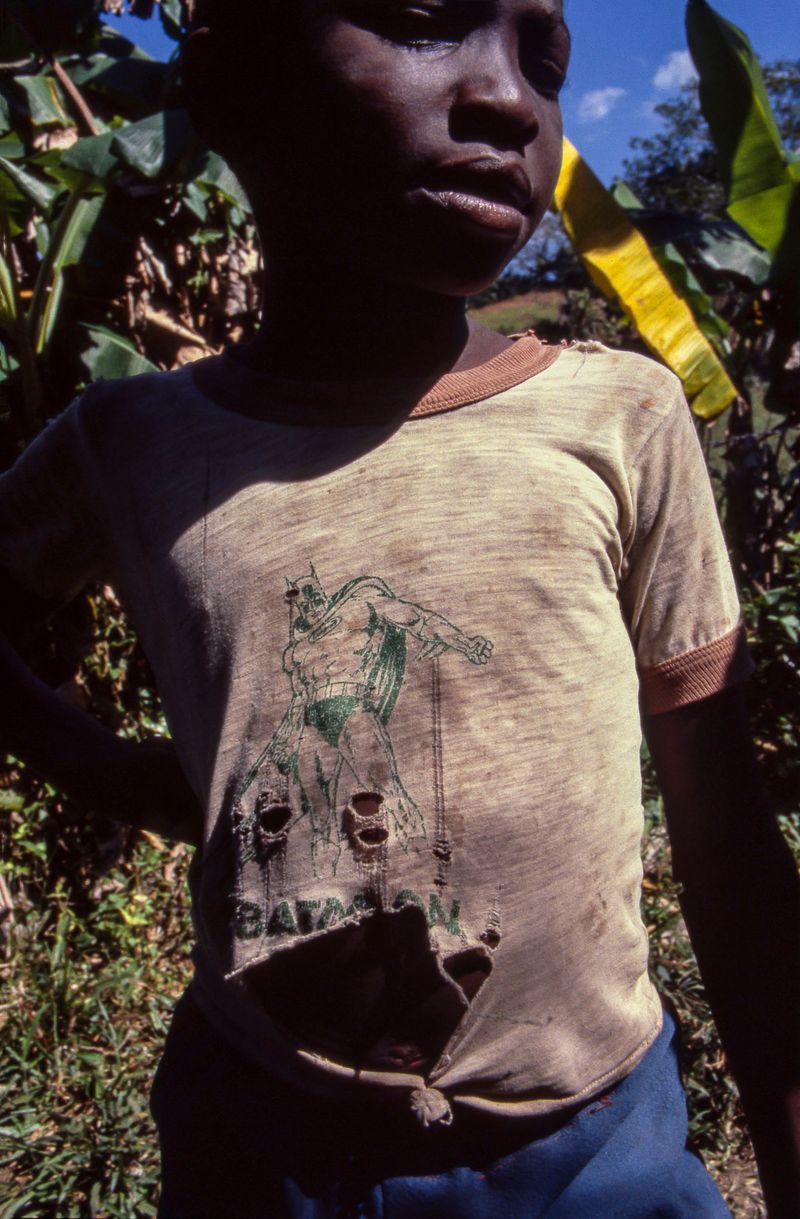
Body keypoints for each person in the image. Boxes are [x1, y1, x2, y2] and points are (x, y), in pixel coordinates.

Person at [0, 0, 798, 1215]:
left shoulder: (619, 418)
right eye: (426, 19)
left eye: (544, 60)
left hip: (597, 1151)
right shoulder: (133, 442)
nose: (510, 100)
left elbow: (723, 828)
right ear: (232, 93)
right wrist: (105, 767)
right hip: (261, 1148)